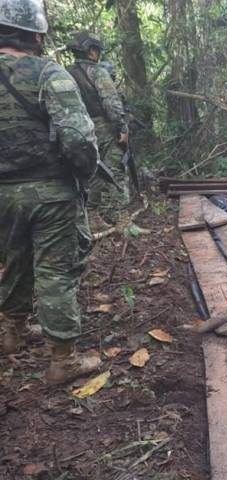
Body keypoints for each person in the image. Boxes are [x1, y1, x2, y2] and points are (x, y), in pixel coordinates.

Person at [0, 0, 103, 383]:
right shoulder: (49, 73)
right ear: (35, 34)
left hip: (3, 195)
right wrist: (83, 175)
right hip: (51, 193)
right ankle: (63, 360)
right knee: (55, 273)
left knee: (14, 260)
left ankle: (11, 333)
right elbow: (77, 137)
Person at [66, 31, 130, 230]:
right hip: (102, 127)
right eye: (97, 49)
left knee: (92, 172)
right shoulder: (97, 71)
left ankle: (93, 218)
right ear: (90, 50)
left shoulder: (63, 72)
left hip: (77, 130)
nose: (98, 54)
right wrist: (122, 128)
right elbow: (111, 102)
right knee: (116, 170)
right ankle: (123, 221)